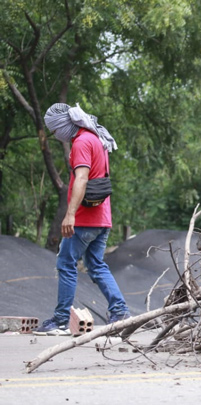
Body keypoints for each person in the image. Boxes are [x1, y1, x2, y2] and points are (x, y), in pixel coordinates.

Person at [33, 103, 129, 336]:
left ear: (65, 126)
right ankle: (120, 312)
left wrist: (70, 214)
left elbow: (82, 179)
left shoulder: (82, 142)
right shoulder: (96, 139)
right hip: (102, 218)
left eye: (56, 132)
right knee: (96, 265)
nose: (56, 137)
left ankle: (60, 320)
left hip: (85, 219)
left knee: (66, 263)